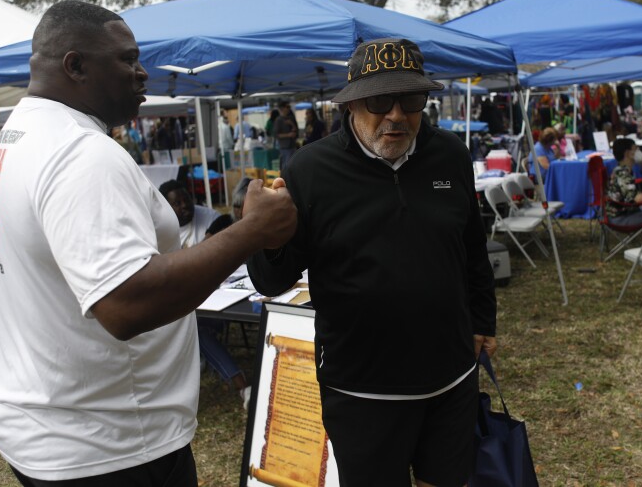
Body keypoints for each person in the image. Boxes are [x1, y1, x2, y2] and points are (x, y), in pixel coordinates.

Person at [0, 0, 296, 485]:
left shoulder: (9, 143)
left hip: (42, 428)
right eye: (128, 60)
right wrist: (252, 231)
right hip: (113, 447)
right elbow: (126, 304)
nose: (144, 74)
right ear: (75, 65)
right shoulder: (81, 154)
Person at [248, 37, 497, 487]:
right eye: (380, 100)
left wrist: (484, 320)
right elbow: (272, 279)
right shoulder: (310, 171)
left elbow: (472, 248)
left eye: (411, 99)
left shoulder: (450, 156)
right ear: (352, 104)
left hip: (450, 376)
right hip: (360, 387)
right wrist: (261, 236)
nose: (397, 115)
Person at [159, 180, 252, 409]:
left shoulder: (211, 217)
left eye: (186, 200)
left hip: (234, 294)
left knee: (194, 326)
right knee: (194, 325)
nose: (184, 206)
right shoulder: (159, 230)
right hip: (204, 300)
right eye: (177, 204)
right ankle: (243, 387)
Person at [273, 101, 298, 168]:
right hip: (284, 147)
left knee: (293, 164)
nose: (289, 108)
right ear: (282, 108)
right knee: (286, 165)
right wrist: (288, 135)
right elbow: (276, 135)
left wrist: (292, 124)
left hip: (293, 145)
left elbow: (296, 131)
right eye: (287, 107)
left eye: (289, 107)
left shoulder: (291, 118)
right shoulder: (278, 120)